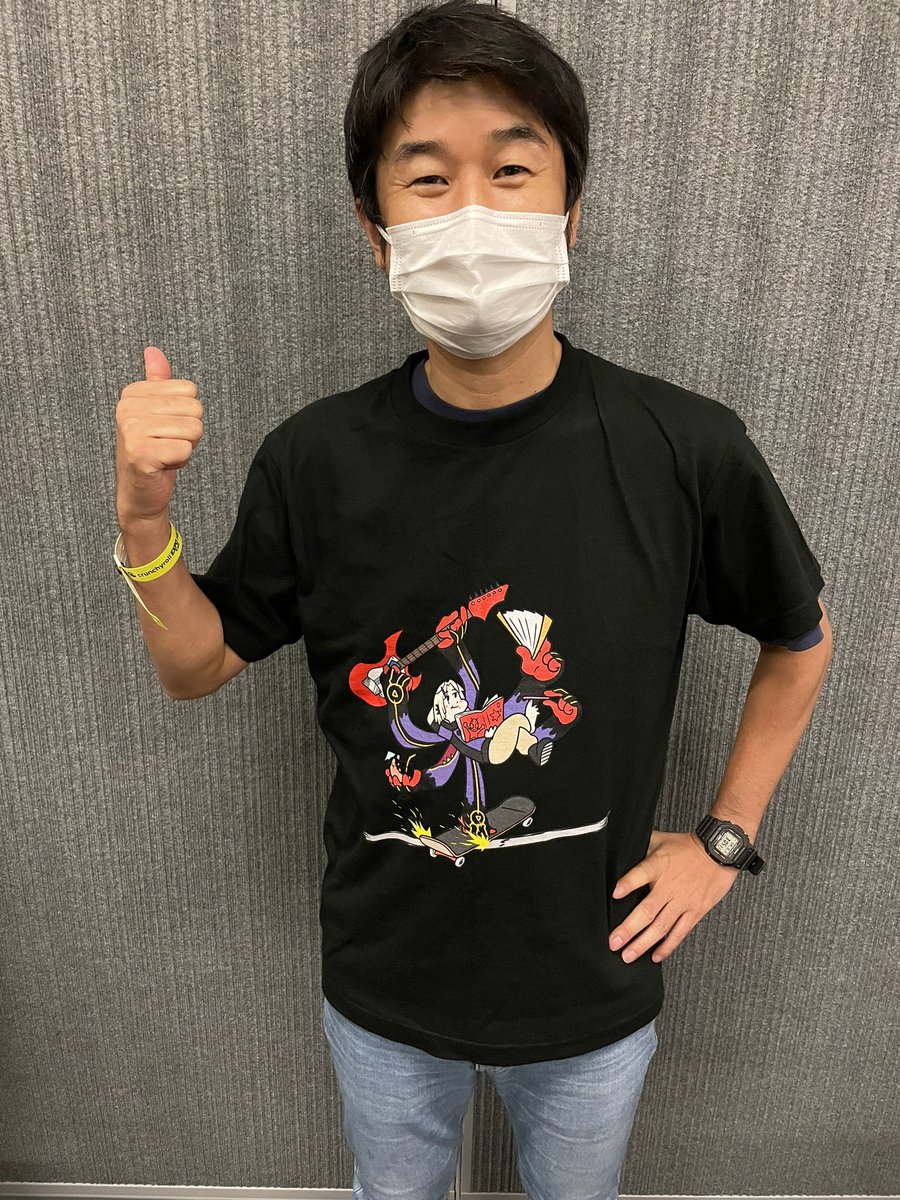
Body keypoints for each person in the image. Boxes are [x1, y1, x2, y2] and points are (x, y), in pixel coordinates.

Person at [113, 3, 833, 1197]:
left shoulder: (683, 448)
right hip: (385, 983)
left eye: (510, 171)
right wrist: (144, 522)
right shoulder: (314, 460)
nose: (474, 215)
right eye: (427, 180)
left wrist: (723, 840)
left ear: (570, 209)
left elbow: (798, 637)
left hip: (592, 983)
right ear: (375, 229)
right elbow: (195, 665)